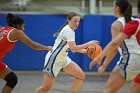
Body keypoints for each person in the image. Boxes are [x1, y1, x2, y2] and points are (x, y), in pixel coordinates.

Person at [35, 12, 99, 93]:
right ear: (69, 20)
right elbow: (74, 49)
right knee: (45, 88)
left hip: (63, 58)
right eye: (75, 21)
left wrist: (87, 51)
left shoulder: (70, 30)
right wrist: (88, 44)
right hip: (54, 59)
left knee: (81, 76)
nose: (77, 23)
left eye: (78, 21)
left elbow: (73, 47)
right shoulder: (68, 31)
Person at [90, 0, 140, 93]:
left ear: (117, 8)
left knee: (107, 91)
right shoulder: (135, 21)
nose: (112, 8)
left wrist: (104, 65)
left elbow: (114, 46)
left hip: (130, 60)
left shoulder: (117, 24)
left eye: (113, 5)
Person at [0, 13, 52, 93]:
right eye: (22, 26)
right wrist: (47, 48)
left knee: (12, 79)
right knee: (12, 80)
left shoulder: (3, 29)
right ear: (17, 25)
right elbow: (33, 45)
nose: (23, 29)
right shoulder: (17, 32)